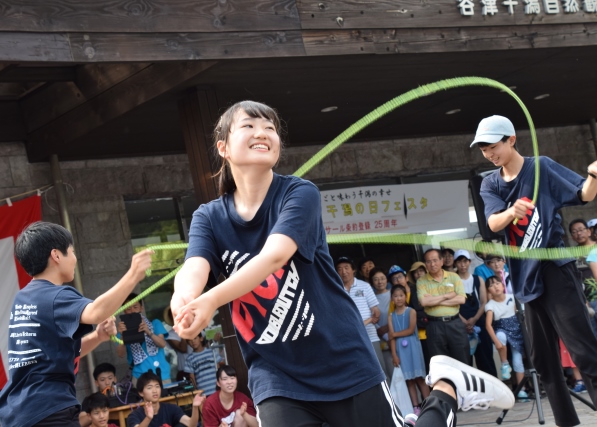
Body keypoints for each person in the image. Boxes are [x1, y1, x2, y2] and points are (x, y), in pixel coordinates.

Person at [169, 100, 514, 426]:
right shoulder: (209, 217)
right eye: (249, 125)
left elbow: (275, 255)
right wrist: (184, 301)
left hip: (341, 358)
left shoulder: (298, 194)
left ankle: (446, 388)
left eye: (270, 127)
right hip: (277, 374)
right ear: (223, 147)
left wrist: (211, 299)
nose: (262, 132)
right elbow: (194, 268)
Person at [472, 114, 597, 426]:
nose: (488, 153)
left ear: (511, 139)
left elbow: (583, 193)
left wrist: (594, 176)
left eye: (493, 146)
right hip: (525, 281)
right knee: (543, 361)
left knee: (583, 350)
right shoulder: (491, 183)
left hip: (555, 271)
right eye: (483, 149)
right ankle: (567, 422)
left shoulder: (540, 166)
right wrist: (512, 211)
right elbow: (491, 224)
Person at [0, 221, 153, 427]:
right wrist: (133, 275)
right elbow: (97, 312)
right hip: (49, 410)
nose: (75, 258)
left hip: (20, 412)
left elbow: (58, 351)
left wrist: (98, 337)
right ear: (56, 255)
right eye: (71, 251)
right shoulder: (56, 296)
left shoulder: (24, 298)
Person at [417, 249, 469, 364]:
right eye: (429, 261)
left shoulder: (453, 277)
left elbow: (461, 299)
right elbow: (424, 302)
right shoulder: (421, 281)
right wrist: (447, 295)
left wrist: (434, 300)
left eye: (435, 260)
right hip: (434, 326)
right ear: (425, 264)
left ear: (441, 261)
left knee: (462, 361)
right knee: (440, 364)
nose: (432, 264)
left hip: (455, 323)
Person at [336, 256, 386, 375]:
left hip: (370, 336)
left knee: (380, 371)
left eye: (346, 268)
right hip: (349, 340)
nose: (344, 271)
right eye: (340, 269)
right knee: (360, 373)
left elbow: (375, 310)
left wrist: (375, 315)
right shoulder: (335, 289)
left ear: (353, 270)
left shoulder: (365, 286)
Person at [484, 276, 528, 401]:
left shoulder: (512, 298)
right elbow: (488, 325)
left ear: (503, 285)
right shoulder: (490, 305)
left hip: (516, 330)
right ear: (488, 291)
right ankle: (504, 363)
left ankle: (522, 390)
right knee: (501, 336)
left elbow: (518, 314)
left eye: (497, 283)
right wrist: (497, 342)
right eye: (491, 285)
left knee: (518, 361)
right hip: (501, 327)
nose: (496, 286)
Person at [388, 285, 430, 415]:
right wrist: (394, 355)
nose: (399, 298)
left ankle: (430, 404)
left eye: (401, 295)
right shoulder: (391, 316)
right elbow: (391, 338)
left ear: (405, 296)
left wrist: (394, 334)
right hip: (401, 349)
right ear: (392, 299)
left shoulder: (411, 311)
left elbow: (411, 330)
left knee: (420, 379)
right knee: (409, 381)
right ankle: (415, 407)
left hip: (413, 347)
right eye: (395, 296)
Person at [454, 250, 496, 377]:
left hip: (480, 323)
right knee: (466, 364)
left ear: (469, 262)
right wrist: (464, 321)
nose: (462, 265)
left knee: (486, 360)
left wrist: (474, 319)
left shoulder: (478, 279)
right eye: (459, 261)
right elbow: (452, 305)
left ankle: (493, 391)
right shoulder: (452, 282)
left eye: (465, 261)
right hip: (460, 325)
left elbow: (484, 302)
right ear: (456, 263)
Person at [116, 293, 171, 384]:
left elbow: (162, 344)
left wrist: (149, 332)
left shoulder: (155, 323)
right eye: (128, 308)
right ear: (124, 311)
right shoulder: (122, 331)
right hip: (139, 376)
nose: (132, 311)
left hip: (161, 373)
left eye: (135, 307)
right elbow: (120, 354)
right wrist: (123, 335)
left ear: (142, 308)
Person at [127, 371, 204, 427]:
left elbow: (191, 424)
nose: (155, 390)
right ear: (141, 393)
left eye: (157, 386)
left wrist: (195, 407)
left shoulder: (171, 408)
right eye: (149, 388)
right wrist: (148, 418)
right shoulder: (134, 415)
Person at [370, 267, 394, 379]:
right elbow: (369, 317)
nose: (380, 282)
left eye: (382, 278)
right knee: (389, 372)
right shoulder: (370, 298)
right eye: (376, 279)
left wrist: (388, 327)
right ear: (371, 282)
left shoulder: (394, 294)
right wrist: (383, 333)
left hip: (396, 336)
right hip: (381, 340)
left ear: (387, 280)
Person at [407, 261, 431, 372]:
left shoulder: (434, 286)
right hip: (423, 334)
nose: (418, 274)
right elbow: (414, 311)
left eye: (421, 270)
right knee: (429, 364)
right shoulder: (412, 291)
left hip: (439, 330)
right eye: (415, 272)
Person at [184, 331, 222, 396]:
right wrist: (197, 392)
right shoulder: (189, 359)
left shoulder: (212, 352)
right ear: (188, 343)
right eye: (190, 340)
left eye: (195, 338)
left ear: (201, 338)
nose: (193, 341)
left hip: (217, 391)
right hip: (203, 393)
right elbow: (192, 378)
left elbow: (219, 370)